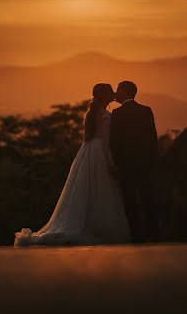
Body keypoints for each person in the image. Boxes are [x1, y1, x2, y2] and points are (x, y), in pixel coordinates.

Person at [14, 83, 130, 246]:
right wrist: (111, 162)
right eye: (111, 92)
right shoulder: (106, 116)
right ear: (104, 96)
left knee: (84, 188)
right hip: (100, 153)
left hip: (87, 151)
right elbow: (106, 140)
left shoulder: (91, 114)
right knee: (101, 188)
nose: (114, 94)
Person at [110, 80, 159, 243]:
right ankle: (154, 232)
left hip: (126, 164)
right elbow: (153, 138)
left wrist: (115, 162)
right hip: (145, 162)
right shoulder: (146, 111)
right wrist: (153, 160)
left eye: (118, 89)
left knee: (130, 200)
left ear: (125, 91)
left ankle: (136, 234)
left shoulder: (117, 114)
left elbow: (114, 142)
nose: (115, 93)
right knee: (148, 198)